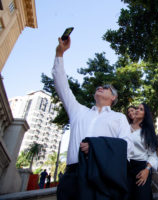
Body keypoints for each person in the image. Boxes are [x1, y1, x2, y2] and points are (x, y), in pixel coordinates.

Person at [53, 36, 133, 200]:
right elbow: (61, 84)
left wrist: (96, 149)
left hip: (102, 178)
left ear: (113, 98)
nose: (100, 87)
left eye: (106, 88)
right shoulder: (78, 111)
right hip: (72, 177)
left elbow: (127, 147)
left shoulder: (119, 118)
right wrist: (60, 53)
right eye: (99, 86)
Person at [128, 103, 158, 200]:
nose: (137, 110)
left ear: (145, 114)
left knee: (141, 196)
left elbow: (153, 155)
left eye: (141, 109)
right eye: (137, 108)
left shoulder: (146, 132)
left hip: (141, 168)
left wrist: (147, 170)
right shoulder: (125, 127)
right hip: (125, 167)